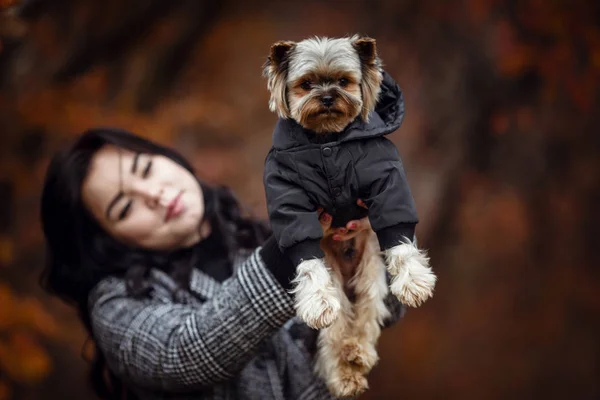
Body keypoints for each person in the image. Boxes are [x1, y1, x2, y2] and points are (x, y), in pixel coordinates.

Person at [39, 127, 406, 400]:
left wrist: (364, 235)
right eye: (124, 207)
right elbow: (186, 351)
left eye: (145, 169)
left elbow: (376, 314)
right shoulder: (116, 307)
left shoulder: (249, 236)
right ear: (109, 242)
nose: (153, 195)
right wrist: (295, 244)